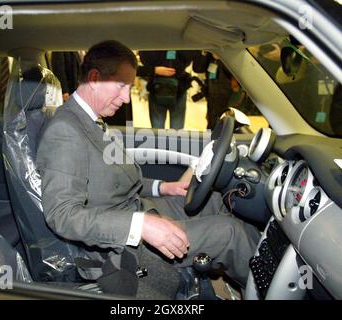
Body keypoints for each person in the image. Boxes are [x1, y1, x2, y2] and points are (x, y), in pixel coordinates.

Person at [36, 40, 260, 298]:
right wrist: (141, 225)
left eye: (129, 87)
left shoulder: (91, 119)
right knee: (230, 234)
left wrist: (163, 187)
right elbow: (62, 215)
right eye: (121, 86)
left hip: (139, 208)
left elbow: (116, 177)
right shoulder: (65, 131)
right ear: (94, 78)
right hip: (121, 244)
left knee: (220, 199)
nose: (125, 97)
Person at [139, 50, 200, 129]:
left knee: (159, 128)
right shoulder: (182, 42)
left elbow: (144, 58)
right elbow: (191, 55)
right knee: (174, 129)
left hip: (163, 85)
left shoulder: (152, 41)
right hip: (171, 85)